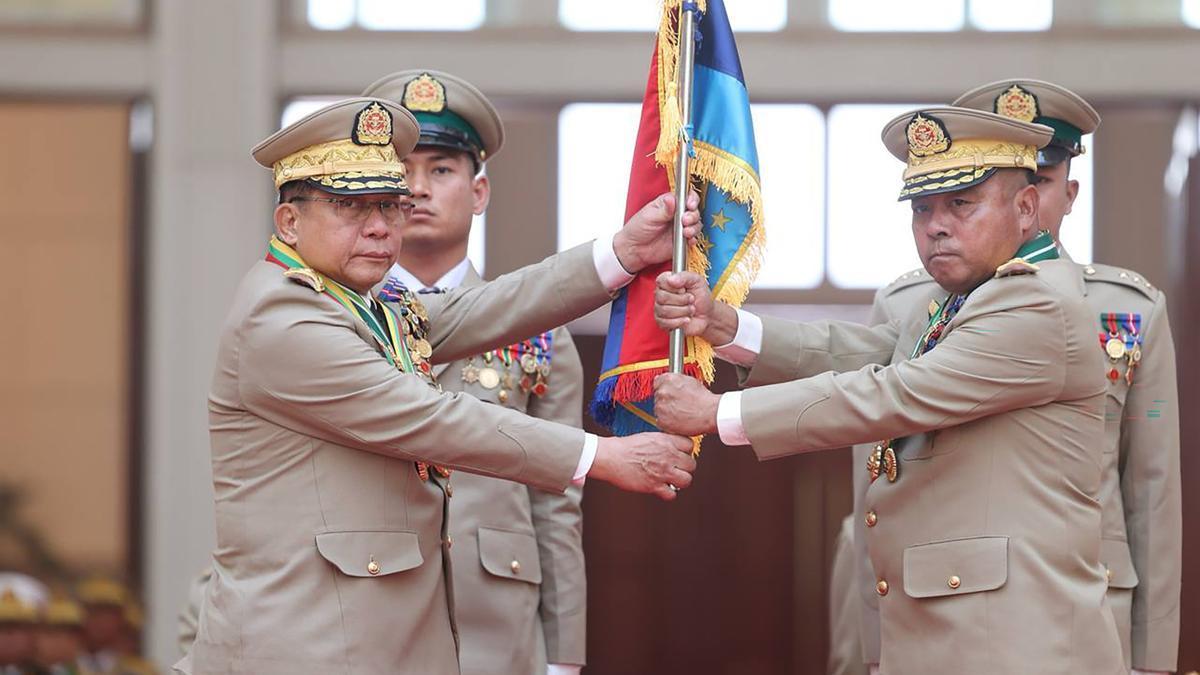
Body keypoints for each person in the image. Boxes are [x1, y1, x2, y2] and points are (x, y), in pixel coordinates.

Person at [178, 96, 700, 675]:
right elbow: (431, 418)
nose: (379, 227)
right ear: (289, 221)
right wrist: (602, 455)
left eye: (389, 205)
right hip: (305, 646)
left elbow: (478, 310)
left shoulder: (361, 303)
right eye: (350, 207)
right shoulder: (283, 318)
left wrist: (622, 254)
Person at [652, 106, 1126, 673]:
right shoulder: (967, 297)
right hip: (964, 635)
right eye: (922, 208)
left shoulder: (1035, 302)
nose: (936, 225)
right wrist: (727, 328)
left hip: (1015, 645)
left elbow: (894, 392)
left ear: (1026, 209)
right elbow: (869, 353)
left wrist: (719, 413)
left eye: (961, 203)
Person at [362, 69, 587, 675]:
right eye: (402, 171)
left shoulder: (539, 333)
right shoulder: (338, 323)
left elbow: (557, 499)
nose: (419, 189)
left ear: (479, 191)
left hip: (499, 617)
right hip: (370, 610)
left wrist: (564, 654)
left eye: (441, 170)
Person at [954, 79, 1181, 675]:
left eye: (1041, 183)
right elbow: (874, 485)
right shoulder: (913, 309)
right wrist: (875, 647)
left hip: (1088, 615)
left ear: (1068, 192)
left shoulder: (1129, 312)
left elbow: (1151, 491)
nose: (1023, 204)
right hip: (945, 614)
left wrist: (1153, 658)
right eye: (989, 188)